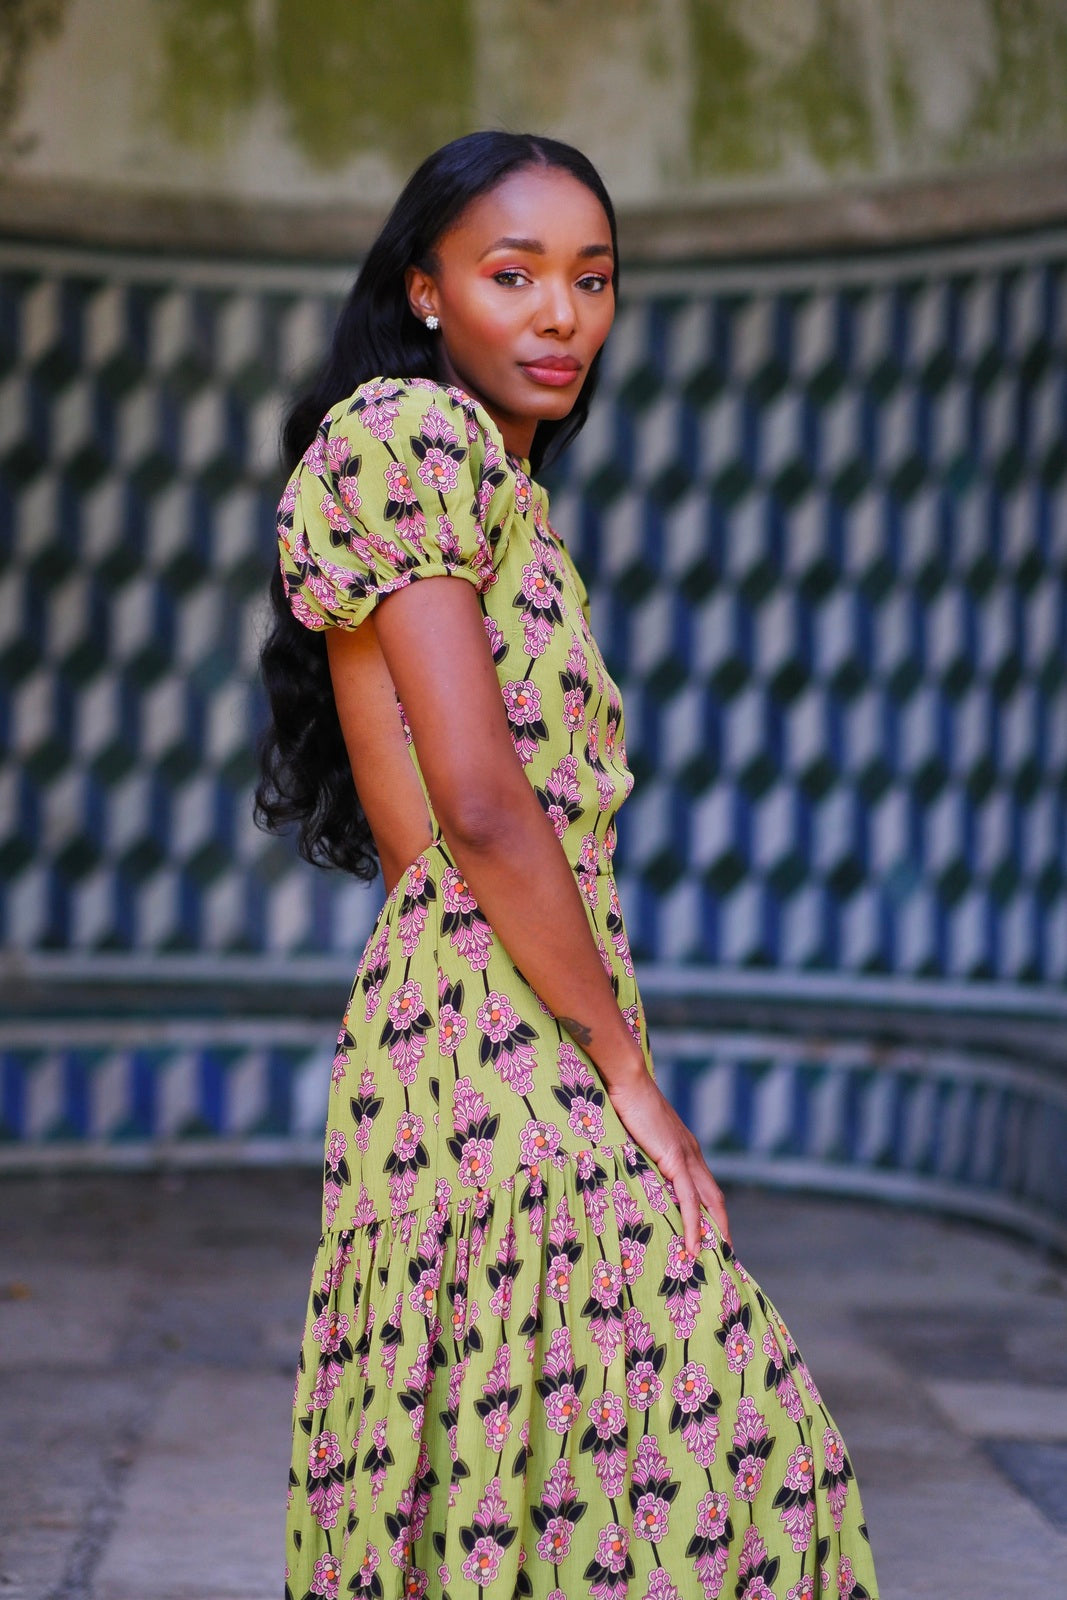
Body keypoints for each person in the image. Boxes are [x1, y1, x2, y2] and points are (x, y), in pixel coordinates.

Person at [256, 130, 880, 1600]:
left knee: (542, 1475)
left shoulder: (491, 489)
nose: (561, 316)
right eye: (513, 274)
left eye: (591, 280)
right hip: (496, 1041)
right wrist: (623, 1072)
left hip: (491, 1011)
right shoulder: (408, 441)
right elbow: (472, 805)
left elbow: (442, 820)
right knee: (749, 1462)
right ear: (426, 291)